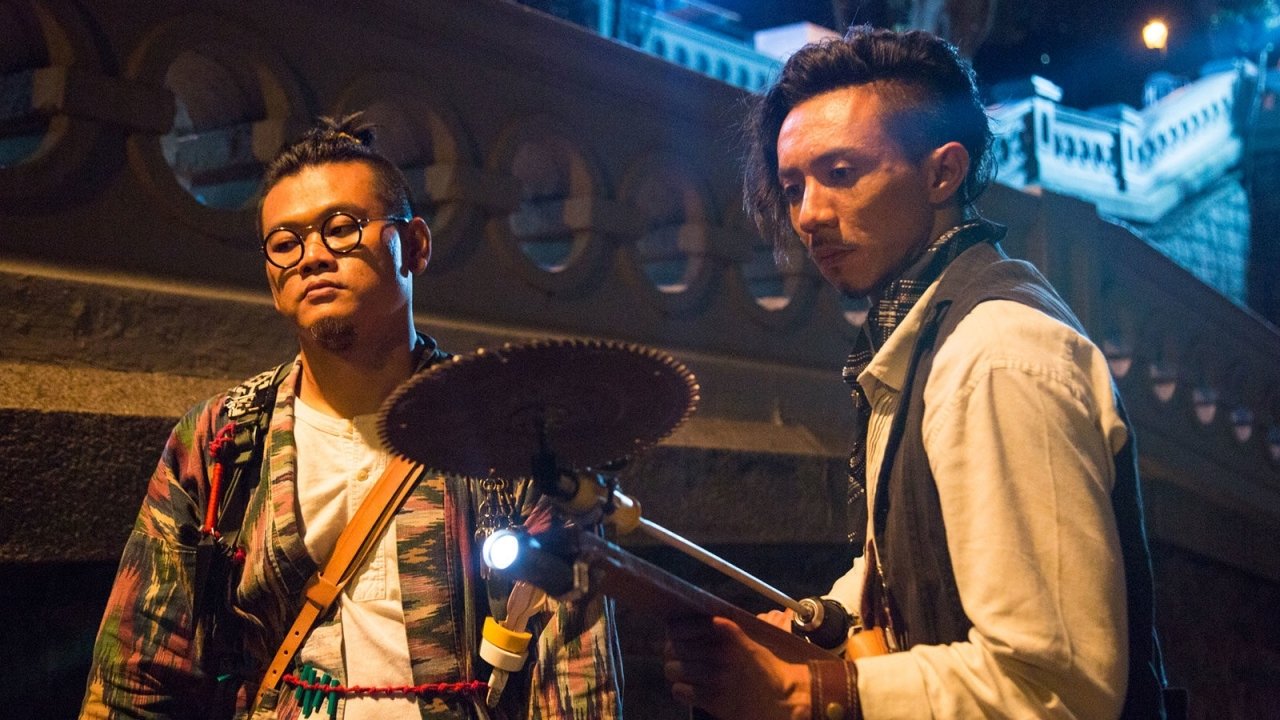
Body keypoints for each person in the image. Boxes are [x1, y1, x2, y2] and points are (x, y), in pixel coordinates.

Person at [663, 26, 1171, 720]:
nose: (808, 215)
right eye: (793, 187)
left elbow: (1056, 687)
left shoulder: (995, 356)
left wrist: (803, 693)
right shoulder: (925, 332)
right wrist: (811, 624)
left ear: (942, 173)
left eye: (841, 173)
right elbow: (910, 561)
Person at [81, 115, 623, 720]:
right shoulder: (221, 438)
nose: (312, 256)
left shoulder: (508, 430)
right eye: (285, 243)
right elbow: (134, 677)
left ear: (413, 246)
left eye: (341, 229)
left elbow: (577, 678)